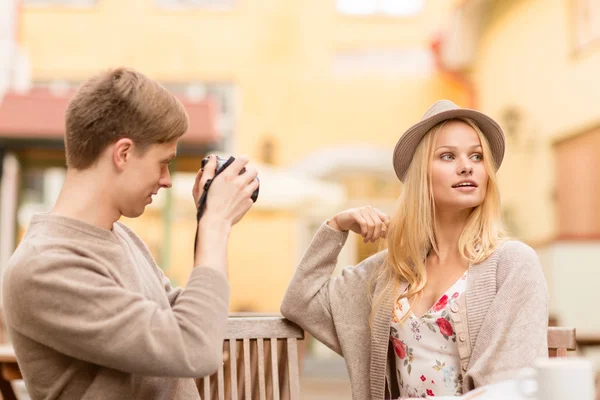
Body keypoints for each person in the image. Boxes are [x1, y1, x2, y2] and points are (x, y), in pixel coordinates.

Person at [2, 67, 259, 399]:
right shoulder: (43, 267)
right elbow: (194, 348)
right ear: (123, 153)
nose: (167, 180)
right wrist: (214, 224)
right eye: (162, 162)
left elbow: (194, 321)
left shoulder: (121, 237)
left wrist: (209, 220)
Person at [281, 100, 548, 399]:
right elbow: (300, 301)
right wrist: (336, 226)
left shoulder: (511, 263)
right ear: (421, 175)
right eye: (448, 156)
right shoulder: (392, 269)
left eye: (477, 156)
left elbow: (508, 385)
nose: (466, 166)